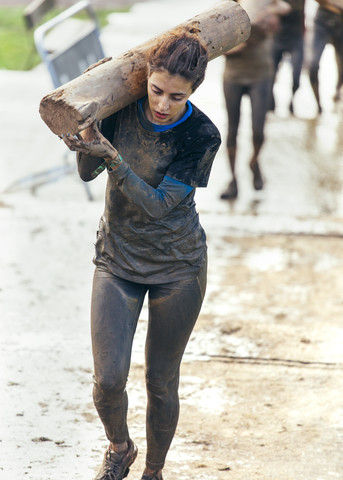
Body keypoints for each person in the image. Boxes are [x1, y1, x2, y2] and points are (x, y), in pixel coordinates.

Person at [62, 27, 221, 480]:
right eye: (155, 90)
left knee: (160, 381)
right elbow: (89, 173)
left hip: (178, 267)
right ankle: (120, 448)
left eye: (176, 96)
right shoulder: (122, 108)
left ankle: (153, 472)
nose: (162, 104)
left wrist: (111, 156)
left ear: (193, 91)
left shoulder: (202, 135)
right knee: (108, 380)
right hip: (117, 258)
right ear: (145, 77)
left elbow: (156, 206)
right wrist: (84, 137)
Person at [220, 0, 291, 200]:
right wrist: (240, 45)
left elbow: (285, 8)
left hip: (261, 73)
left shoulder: (265, 4)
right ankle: (233, 180)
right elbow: (215, 46)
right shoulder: (228, 9)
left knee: (258, 130)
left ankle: (254, 161)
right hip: (233, 75)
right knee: (232, 129)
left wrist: (269, 12)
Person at [268, 0, 306, 113]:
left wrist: (304, 31)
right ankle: (271, 104)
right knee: (271, 74)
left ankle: (292, 101)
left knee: (296, 76)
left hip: (296, 37)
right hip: (278, 37)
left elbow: (303, 10)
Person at [309, 0, 343, 113]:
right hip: (322, 20)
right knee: (313, 65)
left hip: (341, 21)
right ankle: (318, 105)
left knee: (341, 62)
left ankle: (338, 89)